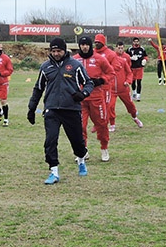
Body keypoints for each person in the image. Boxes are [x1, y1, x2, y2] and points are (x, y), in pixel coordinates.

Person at [27, 37, 94, 185]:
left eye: (59, 51)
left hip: (71, 109)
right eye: (54, 51)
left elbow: (89, 83)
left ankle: (81, 159)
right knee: (50, 141)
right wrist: (31, 108)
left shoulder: (75, 66)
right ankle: (54, 171)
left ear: (65, 51)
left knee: (77, 142)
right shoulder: (45, 67)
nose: (56, 53)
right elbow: (38, 88)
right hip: (52, 110)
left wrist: (83, 94)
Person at [73, 36, 114, 161]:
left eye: (87, 44)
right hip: (80, 100)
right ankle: (83, 151)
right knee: (80, 126)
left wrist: (101, 80)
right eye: (82, 44)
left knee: (101, 124)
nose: (84, 47)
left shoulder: (99, 59)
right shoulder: (74, 60)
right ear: (79, 46)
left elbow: (111, 73)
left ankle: (104, 148)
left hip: (96, 98)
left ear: (90, 46)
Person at [112, 41, 144, 128]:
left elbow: (129, 71)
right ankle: (112, 124)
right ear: (115, 48)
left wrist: (128, 81)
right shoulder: (111, 57)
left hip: (123, 87)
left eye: (122, 48)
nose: (120, 50)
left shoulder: (126, 57)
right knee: (110, 107)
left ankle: (135, 117)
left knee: (130, 104)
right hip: (112, 89)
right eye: (119, 48)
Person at [93, 34, 120, 131]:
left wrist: (104, 74)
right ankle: (97, 124)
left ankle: (109, 123)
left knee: (107, 105)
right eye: (95, 42)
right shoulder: (92, 53)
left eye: (98, 42)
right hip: (95, 86)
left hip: (106, 85)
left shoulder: (111, 54)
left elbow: (117, 67)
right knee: (95, 106)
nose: (96, 44)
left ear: (103, 42)